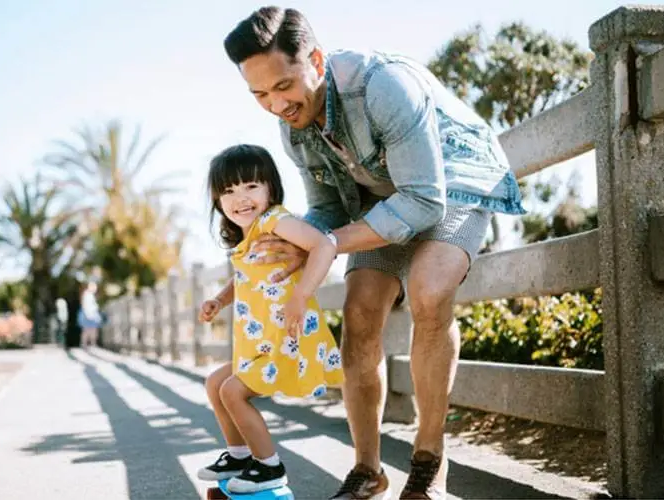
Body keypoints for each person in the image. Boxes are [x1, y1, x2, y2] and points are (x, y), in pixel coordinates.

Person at [223, 8, 525, 499]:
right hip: (381, 200)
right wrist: (295, 242)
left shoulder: (383, 85)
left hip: (454, 182)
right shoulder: (293, 124)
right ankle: (368, 471)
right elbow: (324, 207)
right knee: (360, 312)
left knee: (427, 292)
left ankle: (429, 462)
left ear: (315, 60)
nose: (276, 104)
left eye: (283, 86)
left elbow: (425, 200)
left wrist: (332, 242)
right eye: (259, 94)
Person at [196, 144, 344, 494]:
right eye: (228, 191)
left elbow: (323, 245)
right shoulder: (249, 236)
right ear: (218, 200)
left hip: (287, 338)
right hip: (262, 342)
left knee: (233, 392)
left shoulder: (275, 221)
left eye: (250, 186)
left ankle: (269, 466)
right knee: (216, 383)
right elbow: (245, 276)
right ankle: (239, 455)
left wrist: (301, 295)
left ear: (270, 189)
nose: (240, 198)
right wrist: (219, 299)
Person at [78, 282, 101, 348]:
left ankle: (89, 344)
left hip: (91, 313)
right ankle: (88, 344)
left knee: (90, 329)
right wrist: (89, 314)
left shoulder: (89, 294)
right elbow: (86, 305)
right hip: (88, 314)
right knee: (89, 329)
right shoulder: (88, 294)